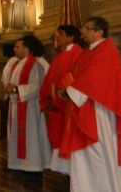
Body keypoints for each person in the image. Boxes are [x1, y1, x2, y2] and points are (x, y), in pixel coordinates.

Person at [59, 17, 121, 191]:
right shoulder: (89, 52)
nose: (82, 32)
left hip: (99, 113)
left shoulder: (107, 51)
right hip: (83, 108)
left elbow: (92, 80)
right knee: (84, 158)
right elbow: (76, 76)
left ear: (99, 32)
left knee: (99, 155)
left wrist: (69, 92)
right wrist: (65, 88)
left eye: (86, 28)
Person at [39, 25, 84, 174]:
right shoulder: (59, 56)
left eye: (61, 34)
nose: (57, 37)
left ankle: (72, 171)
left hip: (68, 102)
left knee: (68, 134)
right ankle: (64, 170)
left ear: (71, 37)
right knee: (58, 133)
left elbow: (76, 75)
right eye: (57, 34)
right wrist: (48, 97)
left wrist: (63, 92)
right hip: (57, 103)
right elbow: (49, 79)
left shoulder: (78, 53)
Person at [5, 36, 51, 174]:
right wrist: (9, 88)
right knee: (16, 137)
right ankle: (19, 165)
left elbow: (37, 87)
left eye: (18, 47)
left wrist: (16, 89)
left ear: (27, 49)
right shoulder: (16, 64)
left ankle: (32, 167)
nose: (14, 49)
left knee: (31, 138)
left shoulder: (35, 65)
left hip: (30, 107)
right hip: (16, 105)